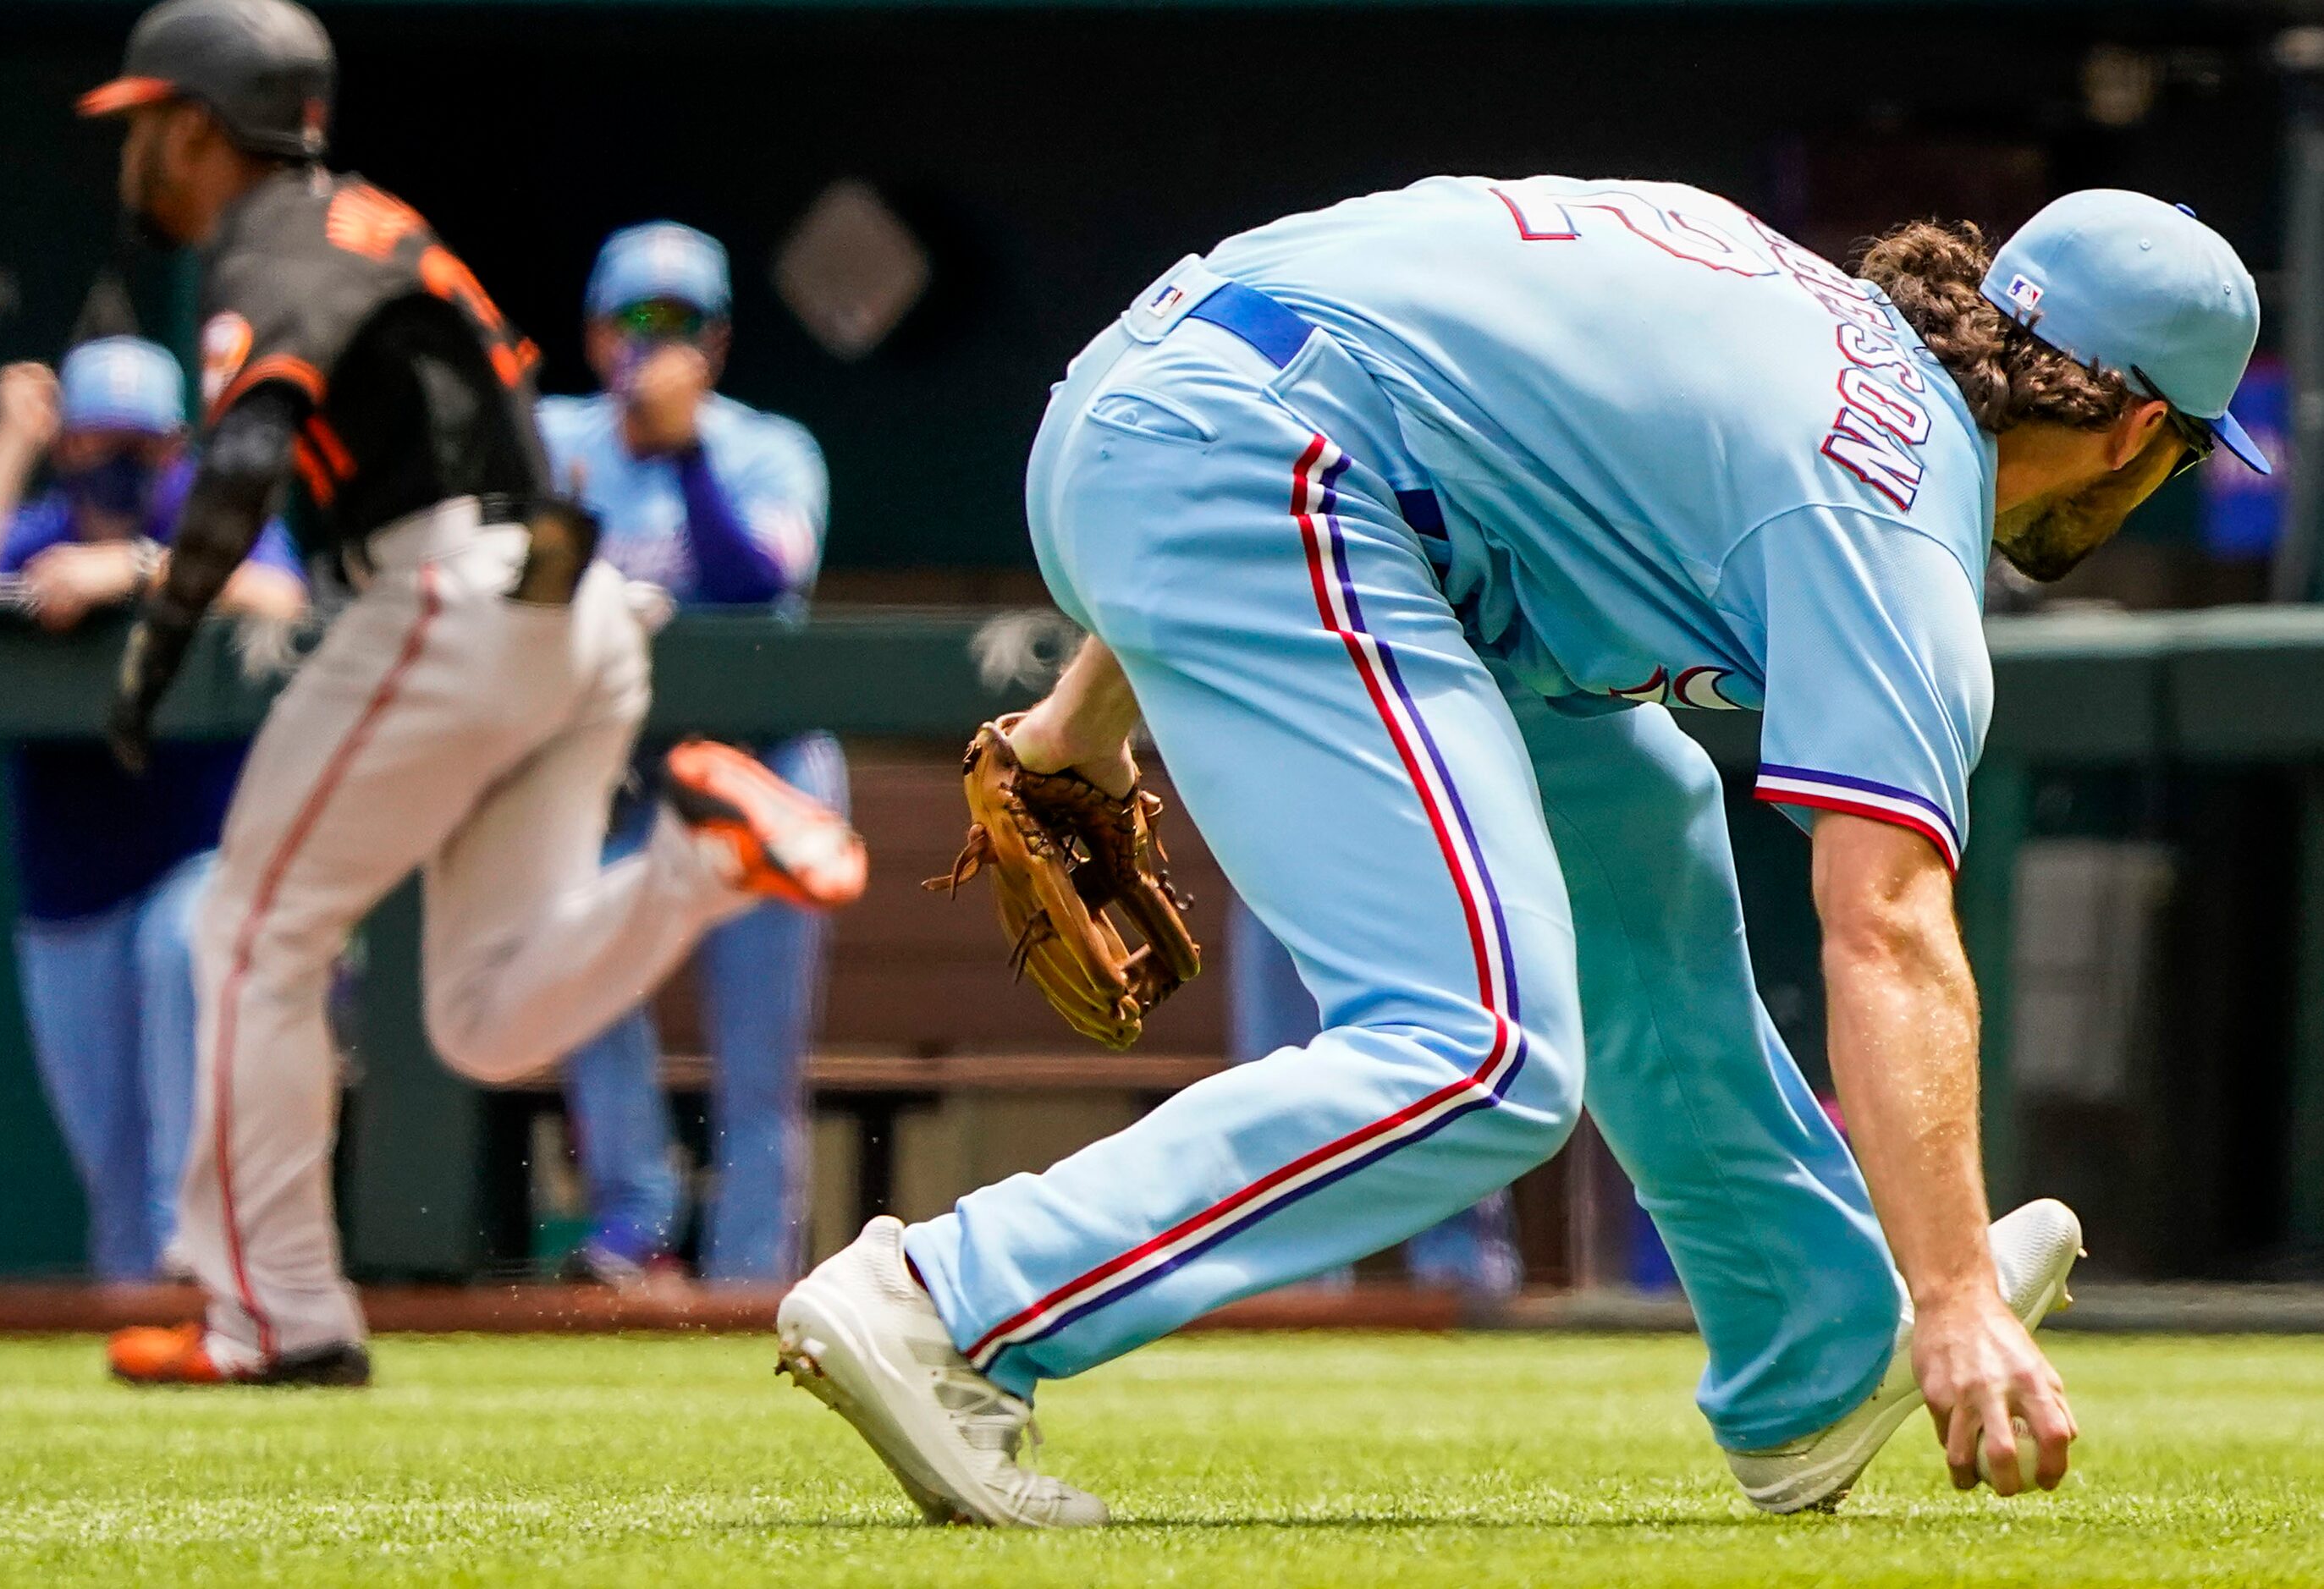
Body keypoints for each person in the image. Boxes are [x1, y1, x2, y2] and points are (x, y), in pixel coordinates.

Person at [779, 179, 2261, 1525]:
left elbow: (1375, 345)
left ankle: (1812, 1344)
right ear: (2139, 435)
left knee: (1642, 818)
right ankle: (948, 1301)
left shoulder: (1789, 296)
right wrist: (1959, 1295)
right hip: (1264, 472)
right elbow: (1883, 923)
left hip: (1161, 409)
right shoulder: (1887, 524)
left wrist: (1084, 713)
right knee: (1479, 1047)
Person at [75, 0, 866, 1388]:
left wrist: (153, 649)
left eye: (147, 122)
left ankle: (278, 1314)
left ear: (199, 125)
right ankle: (694, 859)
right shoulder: (377, 217)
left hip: (447, 590)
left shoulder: (273, 237)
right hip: (569, 604)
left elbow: (254, 441)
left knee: (250, 926)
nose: (139, 150)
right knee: (482, 1015)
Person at [0, 337, 303, 1283]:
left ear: (176, 446)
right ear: (68, 445)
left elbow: (280, 591)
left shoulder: (196, 515)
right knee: (115, 1192)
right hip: (71, 883)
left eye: (143, 444)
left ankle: (198, 1260)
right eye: (97, 442)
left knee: (181, 946)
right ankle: (145, 1336)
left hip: (198, 854)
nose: (122, 464)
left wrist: (133, 569)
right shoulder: (34, 527)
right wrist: (11, 440)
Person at [538, 222, 842, 1286]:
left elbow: (764, 591)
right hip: (614, 783)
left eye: (678, 325)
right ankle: (637, 1221)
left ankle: (749, 1279)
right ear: (594, 334)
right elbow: (514, 596)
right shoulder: (552, 440)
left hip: (760, 779)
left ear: (715, 342)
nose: (653, 347)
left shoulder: (769, 448)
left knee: (758, 1068)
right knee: (584, 983)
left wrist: (691, 456)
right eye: (635, 322)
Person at [1230, 896, 1520, 1294]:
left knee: (1442, 1056)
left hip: (1421, 867)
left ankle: (1462, 1274)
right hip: (1288, 861)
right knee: (1287, 1086)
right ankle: (1293, 1273)